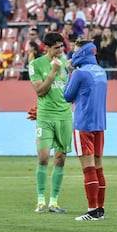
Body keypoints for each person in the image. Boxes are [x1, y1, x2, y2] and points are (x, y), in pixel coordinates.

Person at [64, 40, 107, 221]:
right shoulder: (102, 72)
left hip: (83, 124)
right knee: (98, 167)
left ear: (81, 52)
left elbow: (67, 95)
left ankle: (91, 211)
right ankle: (100, 209)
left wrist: (69, 73)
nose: (72, 54)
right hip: (99, 124)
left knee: (88, 168)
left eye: (74, 50)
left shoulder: (79, 73)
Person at [28, 32, 72, 213]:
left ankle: (54, 201)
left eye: (62, 47)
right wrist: (53, 72)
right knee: (43, 157)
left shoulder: (67, 66)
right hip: (45, 116)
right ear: (47, 48)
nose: (60, 50)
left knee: (60, 158)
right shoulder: (36, 64)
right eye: (56, 47)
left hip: (65, 116)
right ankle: (40, 200)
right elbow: (40, 91)